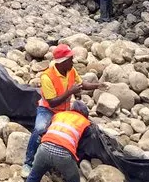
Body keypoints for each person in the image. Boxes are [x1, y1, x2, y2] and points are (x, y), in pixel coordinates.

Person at [24, 44, 101, 172]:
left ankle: (73, 158)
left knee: (84, 127)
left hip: (64, 109)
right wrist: (70, 91)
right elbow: (52, 102)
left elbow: (82, 85)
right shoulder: (47, 77)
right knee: (40, 128)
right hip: (48, 110)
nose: (73, 62)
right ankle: (28, 162)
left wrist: (98, 86)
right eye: (70, 60)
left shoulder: (70, 70)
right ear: (62, 62)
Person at [16, 100, 91, 182]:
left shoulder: (59, 115)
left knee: (34, 175)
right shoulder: (85, 123)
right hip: (63, 154)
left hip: (44, 148)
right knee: (74, 181)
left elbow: (43, 131)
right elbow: (84, 145)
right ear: (84, 114)